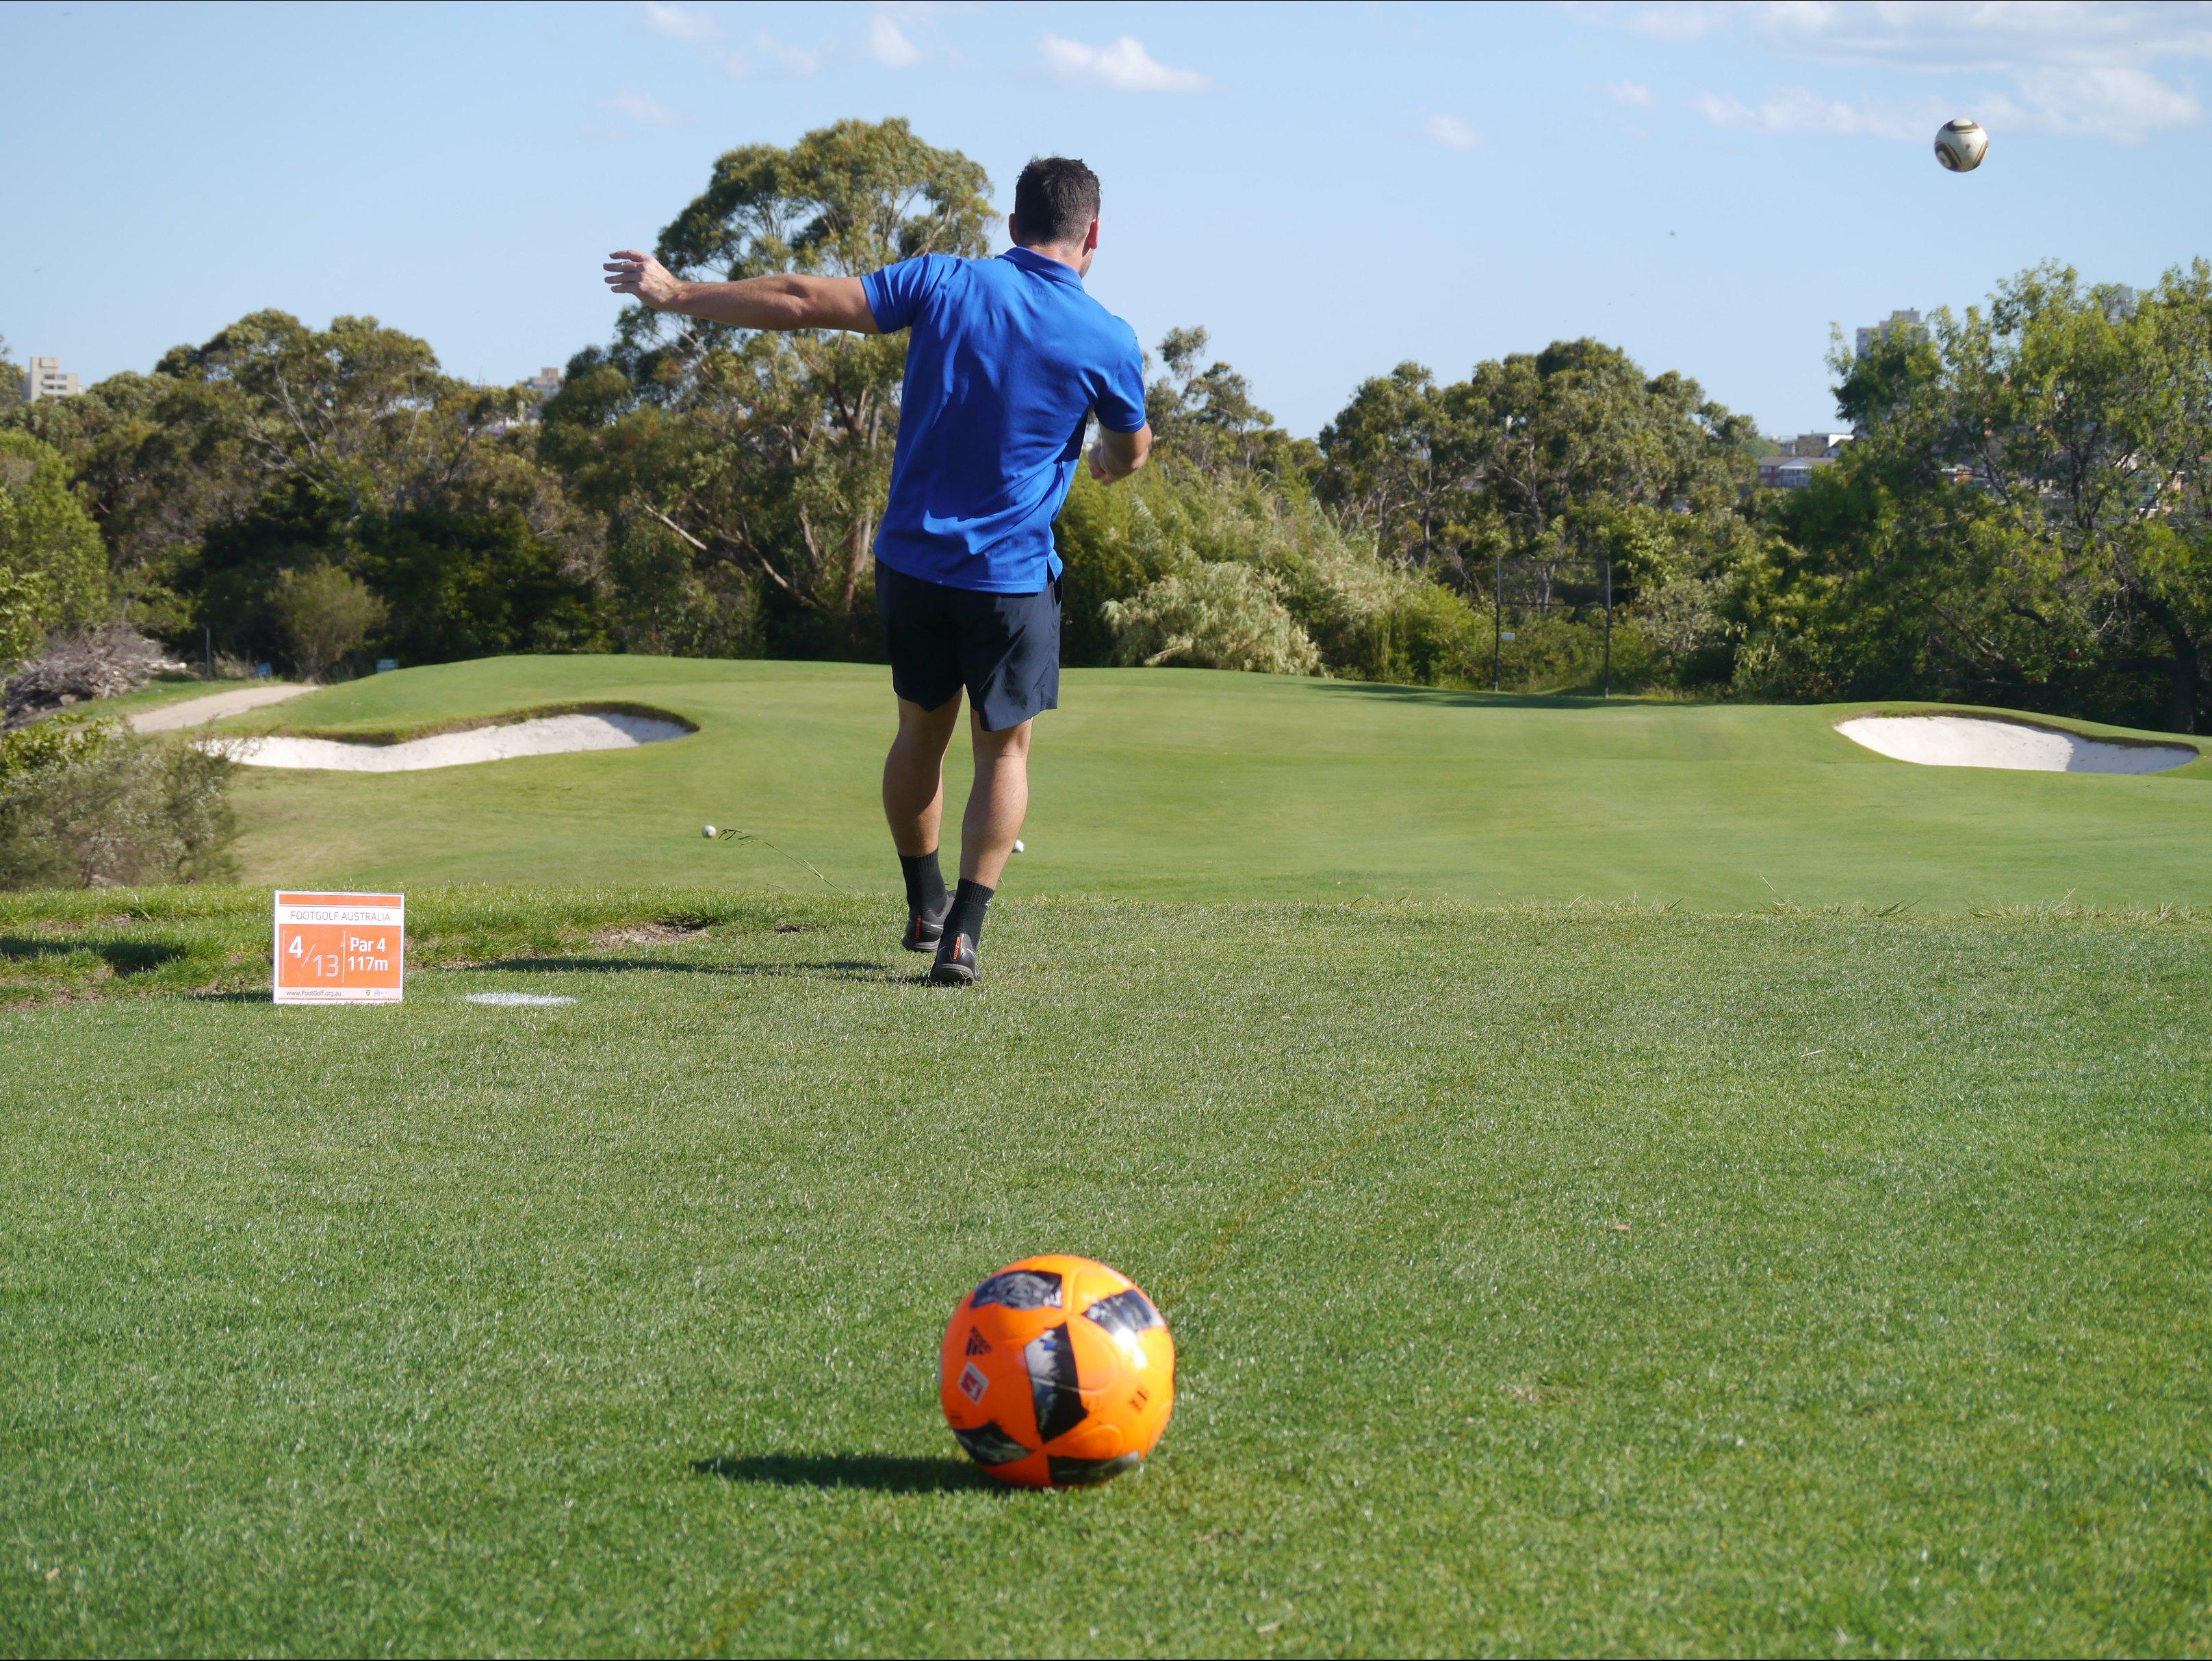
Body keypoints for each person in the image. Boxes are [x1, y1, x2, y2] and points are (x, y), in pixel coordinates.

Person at [605, 156, 1150, 986]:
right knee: (1003, 756)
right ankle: (962, 934)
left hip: (913, 570)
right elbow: (1130, 444)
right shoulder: (1108, 337)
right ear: (1095, 235)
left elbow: (799, 299)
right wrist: (1109, 460)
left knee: (917, 737)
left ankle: (924, 900)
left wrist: (676, 293)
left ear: (1011, 226)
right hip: (1010, 581)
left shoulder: (942, 281)